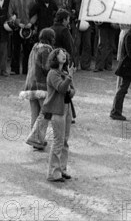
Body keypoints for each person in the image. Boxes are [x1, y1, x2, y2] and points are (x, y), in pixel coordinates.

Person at [43, 48, 76, 182]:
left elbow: (72, 90)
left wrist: (71, 87)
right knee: (58, 141)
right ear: (55, 58)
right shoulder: (53, 73)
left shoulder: (64, 72)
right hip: (57, 109)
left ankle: (62, 169)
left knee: (65, 141)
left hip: (67, 108)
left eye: (64, 54)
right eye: (60, 54)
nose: (63, 55)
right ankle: (53, 173)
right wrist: (69, 78)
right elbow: (62, 88)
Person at [23, 28, 56, 150]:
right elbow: (46, 68)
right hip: (41, 85)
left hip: (30, 84)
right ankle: (36, 139)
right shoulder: (47, 49)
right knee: (45, 113)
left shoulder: (35, 47)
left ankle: (36, 139)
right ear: (50, 38)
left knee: (34, 114)